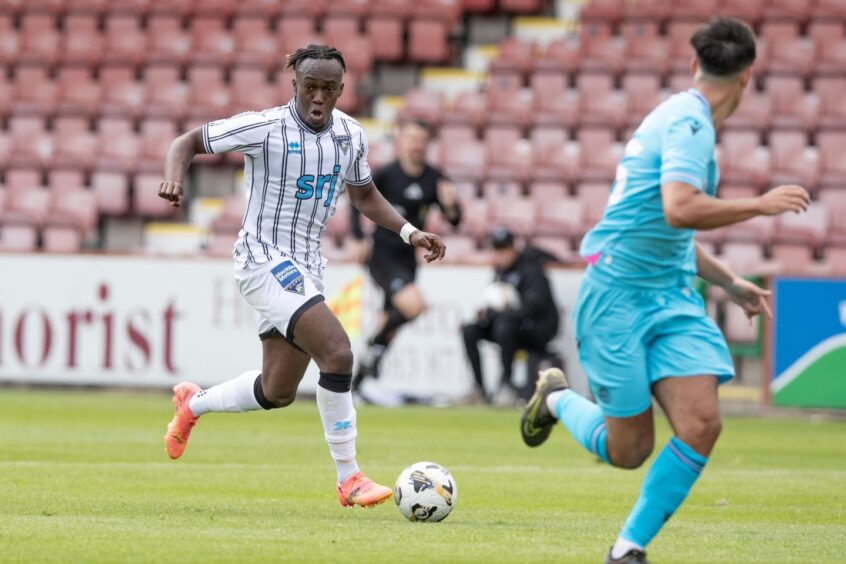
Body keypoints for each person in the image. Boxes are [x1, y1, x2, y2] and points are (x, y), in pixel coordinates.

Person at [519, 17, 811, 563]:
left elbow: (663, 227)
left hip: (672, 296)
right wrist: (760, 204)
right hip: (616, 298)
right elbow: (680, 209)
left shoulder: (683, 118)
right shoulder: (688, 124)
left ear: (696, 65)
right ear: (749, 76)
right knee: (629, 450)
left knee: (702, 424)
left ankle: (627, 549)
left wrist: (728, 281)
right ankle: (556, 398)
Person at [158, 45, 446, 508]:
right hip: (260, 260)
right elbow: (185, 142)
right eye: (309, 87)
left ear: (340, 90)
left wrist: (410, 232)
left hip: (306, 269)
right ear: (294, 85)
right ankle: (349, 478)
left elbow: (365, 196)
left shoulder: (351, 134)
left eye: (328, 90)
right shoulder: (265, 127)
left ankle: (192, 404)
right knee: (337, 352)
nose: (317, 98)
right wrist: (174, 178)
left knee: (276, 391)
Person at [349, 119, 461, 400]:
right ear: (400, 141)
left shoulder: (435, 178)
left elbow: (456, 220)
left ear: (428, 145)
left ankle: (359, 382)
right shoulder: (386, 175)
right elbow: (358, 200)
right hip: (382, 255)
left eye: (421, 140)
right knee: (414, 306)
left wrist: (450, 204)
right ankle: (372, 349)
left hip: (408, 259)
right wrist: (358, 237)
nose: (415, 145)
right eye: (411, 138)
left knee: (391, 321)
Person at [462, 227, 560, 404]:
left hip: (537, 328)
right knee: (470, 330)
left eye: (503, 249)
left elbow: (533, 307)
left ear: (513, 248)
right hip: (509, 325)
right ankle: (479, 389)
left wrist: (498, 313)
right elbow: (498, 302)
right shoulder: (500, 271)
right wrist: (488, 314)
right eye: (496, 250)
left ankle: (507, 385)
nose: (499, 255)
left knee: (504, 327)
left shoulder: (531, 269)